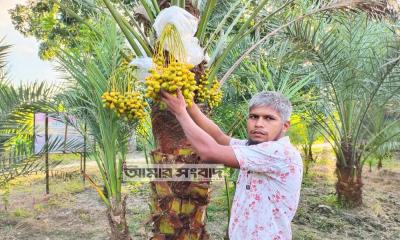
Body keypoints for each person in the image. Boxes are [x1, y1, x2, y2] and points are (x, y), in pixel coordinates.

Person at [160, 89, 303, 240]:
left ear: (285, 126)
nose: (259, 124)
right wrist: (190, 105)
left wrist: (180, 113)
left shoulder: (279, 152)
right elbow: (219, 137)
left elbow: (210, 151)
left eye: (269, 118)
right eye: (254, 117)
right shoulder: (253, 148)